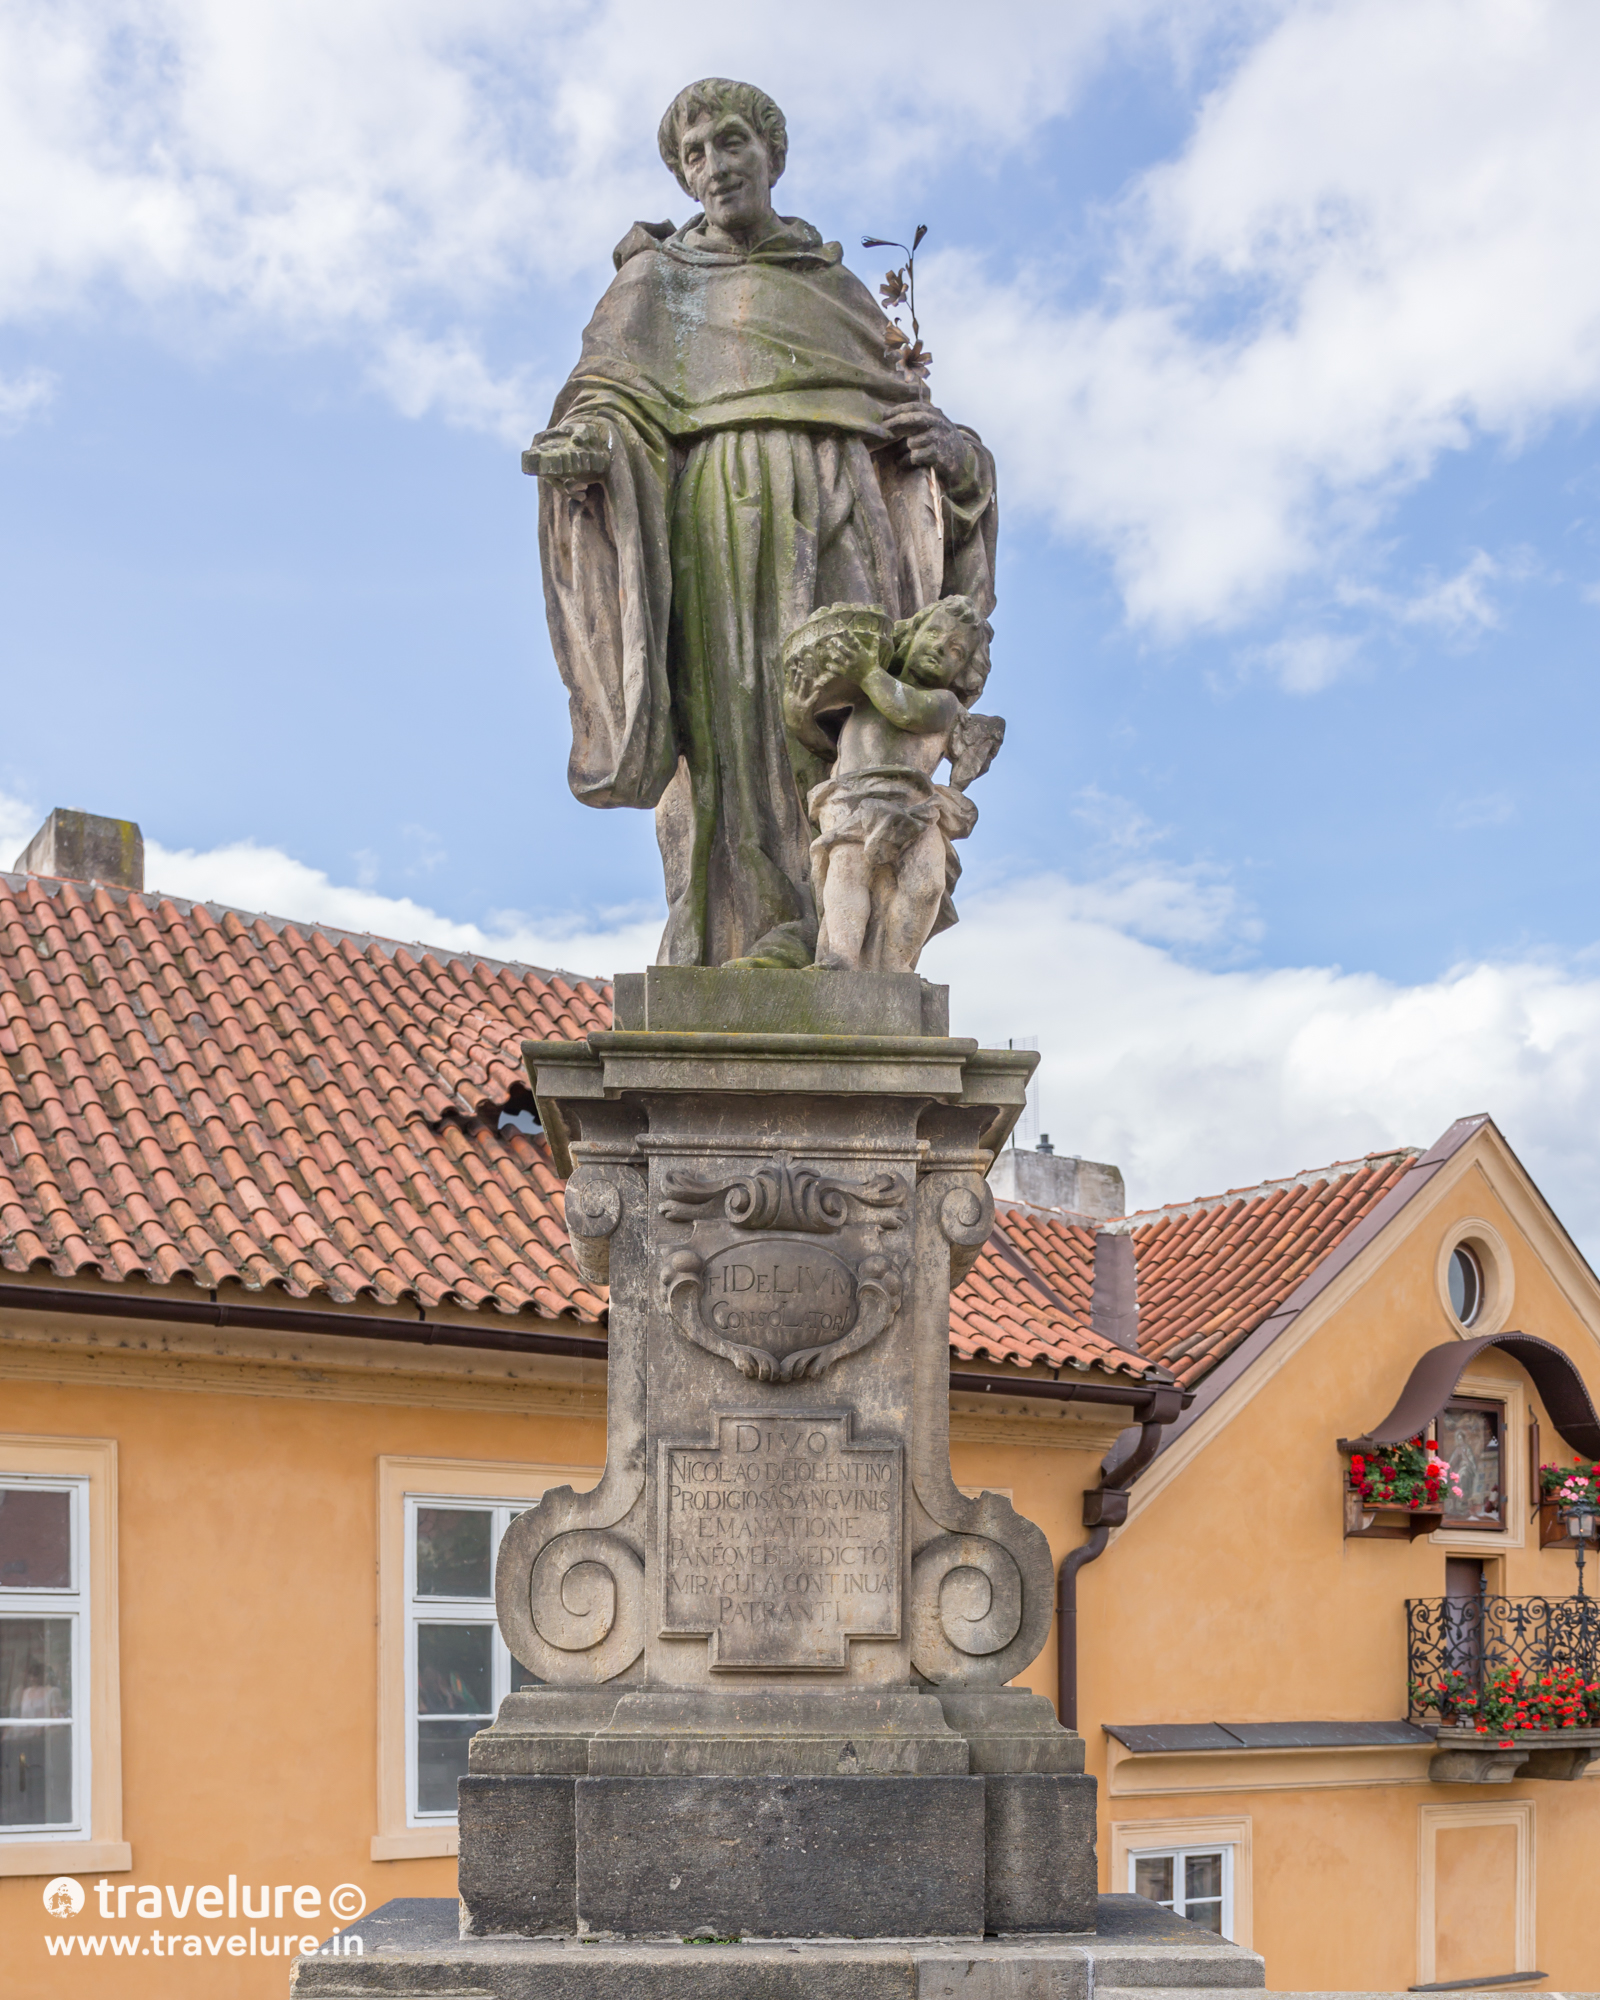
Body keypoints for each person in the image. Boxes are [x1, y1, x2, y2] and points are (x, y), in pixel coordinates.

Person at [524, 78, 998, 967]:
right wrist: (592, 446)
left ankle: (841, 932)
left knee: (838, 718)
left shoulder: (836, 291)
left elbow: (912, 435)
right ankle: (742, 935)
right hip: (715, 526)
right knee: (733, 732)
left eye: (730, 143)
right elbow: (604, 400)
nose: (713, 167)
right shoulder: (653, 284)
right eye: (693, 154)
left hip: (843, 519)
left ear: (772, 154)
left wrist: (960, 459)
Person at [782, 596, 1003, 973]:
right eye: (932, 633)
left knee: (926, 884)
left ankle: (896, 967)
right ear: (911, 634)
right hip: (852, 798)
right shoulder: (859, 694)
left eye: (954, 650)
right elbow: (813, 736)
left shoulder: (942, 702)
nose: (938, 648)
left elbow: (909, 712)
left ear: (963, 670)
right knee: (848, 869)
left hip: (915, 805)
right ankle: (842, 957)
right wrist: (798, 705)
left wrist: (868, 673)